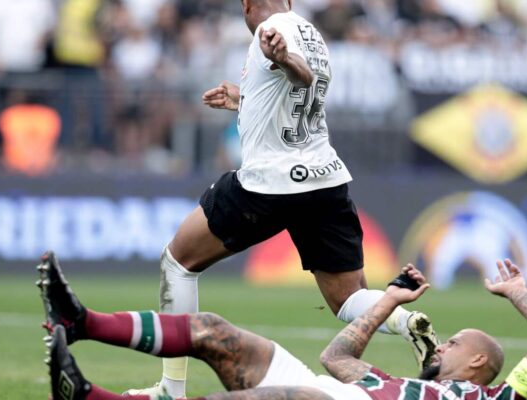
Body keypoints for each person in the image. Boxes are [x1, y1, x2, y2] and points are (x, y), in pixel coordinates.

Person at [144, 0, 439, 395]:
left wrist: (283, 58)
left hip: (270, 183)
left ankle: (171, 389)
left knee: (178, 263)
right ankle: (405, 321)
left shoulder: (273, 29)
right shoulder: (312, 31)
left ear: (248, 5)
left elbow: (300, 75)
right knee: (348, 299)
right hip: (324, 181)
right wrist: (244, 98)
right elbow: (296, 92)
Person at [38, 253, 527, 400]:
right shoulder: (395, 383)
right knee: (212, 329)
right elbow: (335, 359)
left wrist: (518, 293)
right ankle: (80, 322)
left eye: (453, 343)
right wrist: (387, 300)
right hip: (321, 388)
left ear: (478, 362)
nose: (440, 343)